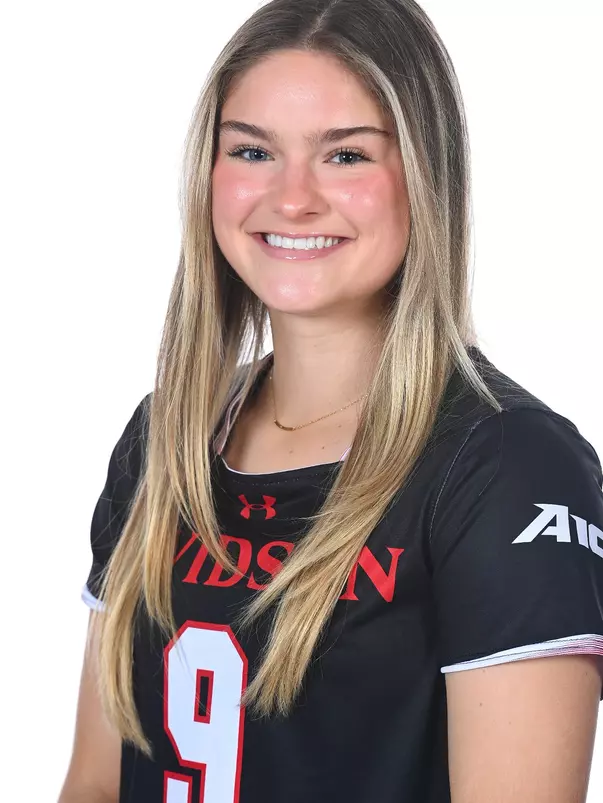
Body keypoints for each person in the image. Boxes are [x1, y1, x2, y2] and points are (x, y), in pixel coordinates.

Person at [59, 1, 603, 801]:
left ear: (424, 174)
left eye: (345, 156)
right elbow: (94, 784)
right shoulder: (164, 437)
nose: (293, 198)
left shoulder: (508, 468)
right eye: (251, 150)